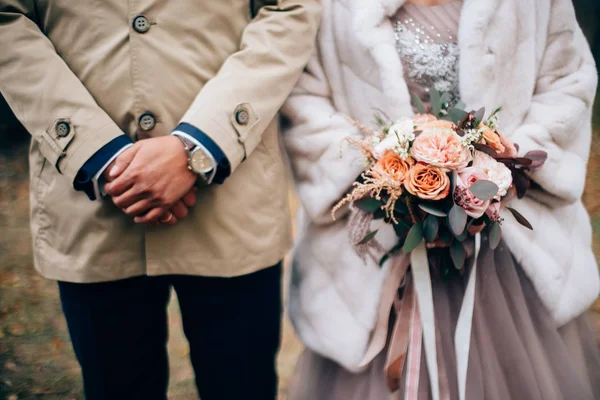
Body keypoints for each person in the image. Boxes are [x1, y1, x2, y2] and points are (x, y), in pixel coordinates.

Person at [0, 1, 321, 399]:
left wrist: (201, 143)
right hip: (95, 215)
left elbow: (290, 8)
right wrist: (97, 153)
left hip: (232, 204)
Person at [282, 0, 600, 398]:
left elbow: (567, 81)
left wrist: (502, 165)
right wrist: (383, 169)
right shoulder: (330, 6)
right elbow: (304, 99)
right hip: (381, 243)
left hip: (506, 244)